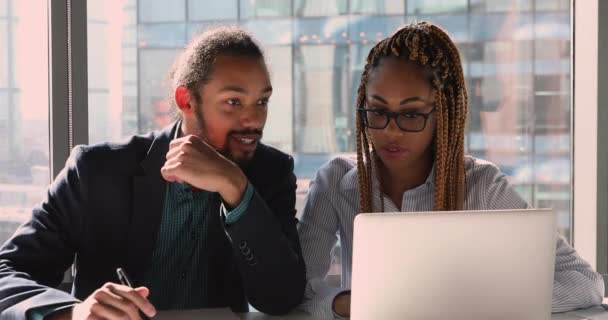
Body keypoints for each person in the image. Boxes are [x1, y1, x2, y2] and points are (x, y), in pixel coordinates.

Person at [297, 21, 604, 318]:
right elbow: (301, 288)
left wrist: (474, 303)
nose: (391, 131)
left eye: (412, 114)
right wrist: (350, 304)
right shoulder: (335, 181)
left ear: (442, 114)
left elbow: (584, 282)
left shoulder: (482, 184)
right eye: (378, 111)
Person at [0, 26, 306, 320]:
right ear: (186, 100)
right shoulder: (97, 170)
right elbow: (7, 273)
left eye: (262, 101)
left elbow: (281, 298)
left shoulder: (271, 173)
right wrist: (74, 312)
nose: (253, 119)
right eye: (233, 102)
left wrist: (236, 188)